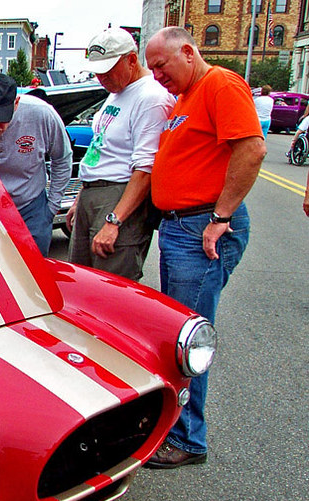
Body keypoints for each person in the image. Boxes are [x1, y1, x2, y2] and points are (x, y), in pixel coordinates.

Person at [144, 26, 265, 469]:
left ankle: (187, 439)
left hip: (201, 228)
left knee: (187, 339)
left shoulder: (219, 83)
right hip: (182, 228)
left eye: (162, 65)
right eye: (152, 67)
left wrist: (220, 218)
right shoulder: (185, 99)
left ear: (189, 53)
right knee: (176, 332)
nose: (157, 75)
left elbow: (251, 149)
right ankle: (174, 429)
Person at [66, 27, 175, 281]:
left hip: (119, 194)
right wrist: (81, 198)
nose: (100, 76)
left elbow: (145, 169)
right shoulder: (116, 93)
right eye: (97, 69)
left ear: (132, 60)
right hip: (94, 192)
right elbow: (103, 149)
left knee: (110, 286)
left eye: (107, 68)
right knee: (82, 282)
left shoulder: (151, 97)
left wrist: (114, 221)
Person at [0, 73, 71, 256]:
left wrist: (51, 207)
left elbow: (62, 158)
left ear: (16, 103)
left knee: (35, 270)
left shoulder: (42, 114)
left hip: (31, 206)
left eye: (2, 119)